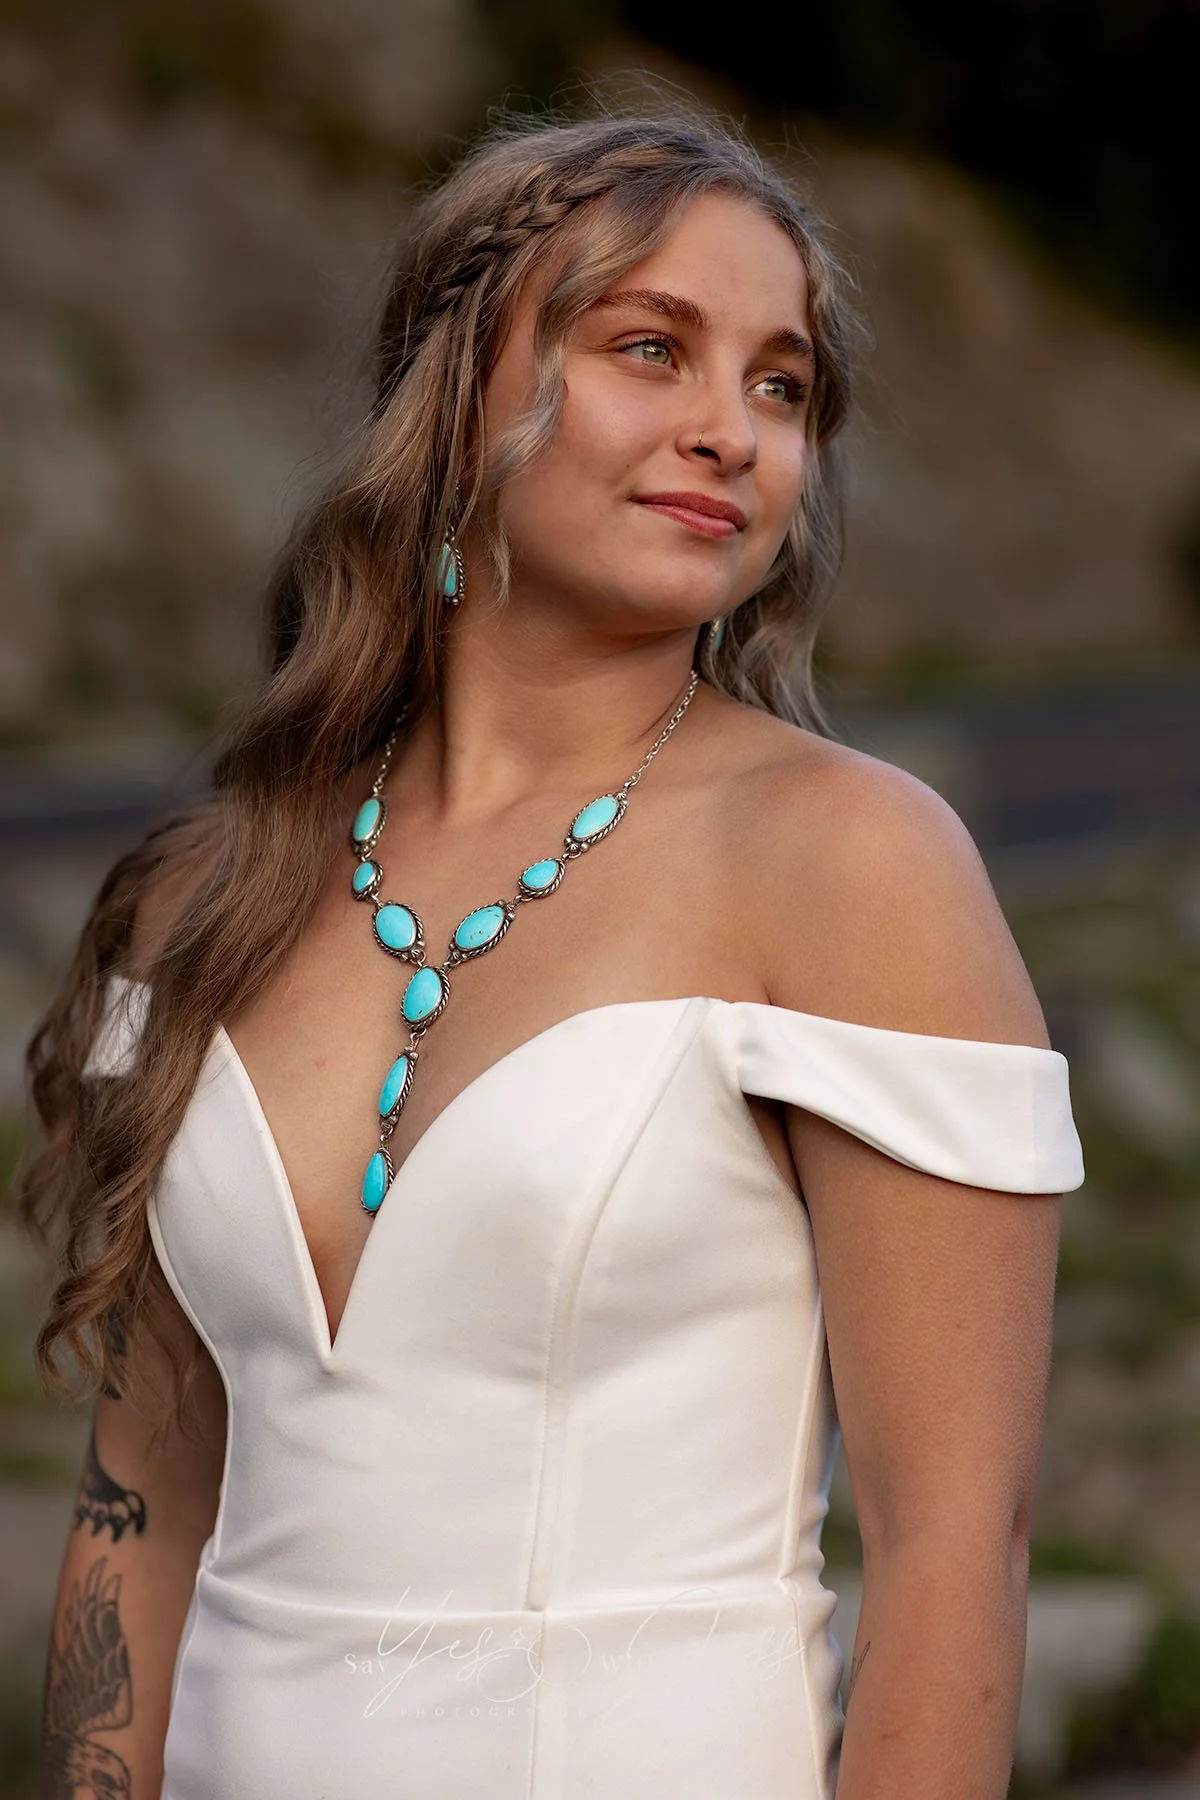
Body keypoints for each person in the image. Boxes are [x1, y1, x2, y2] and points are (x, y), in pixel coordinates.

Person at [19, 105, 1083, 1800]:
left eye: (781, 384)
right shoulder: (200, 896)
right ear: (453, 397)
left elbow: (959, 1551)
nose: (730, 430)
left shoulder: (852, 864)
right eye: (650, 349)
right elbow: (138, 1500)